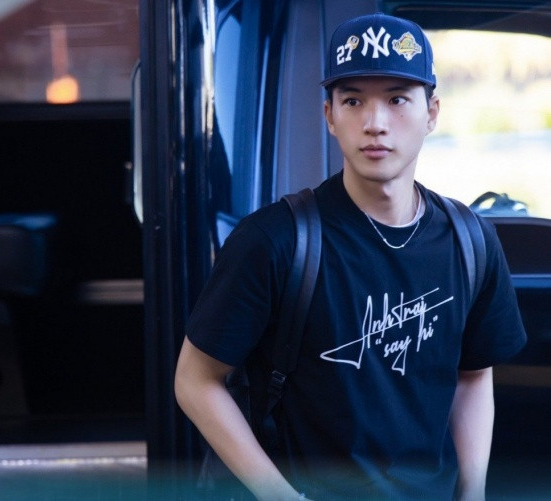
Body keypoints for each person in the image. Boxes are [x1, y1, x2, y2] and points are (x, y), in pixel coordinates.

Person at [174, 12, 527, 501]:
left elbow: (472, 374)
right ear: (329, 116)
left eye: (397, 99)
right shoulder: (275, 240)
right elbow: (195, 381)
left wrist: (472, 491)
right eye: (353, 100)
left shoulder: (470, 241)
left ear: (432, 113)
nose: (375, 123)